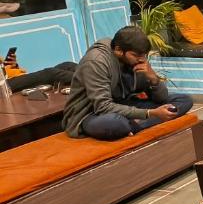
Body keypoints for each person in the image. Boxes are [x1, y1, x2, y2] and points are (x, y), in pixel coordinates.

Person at [62, 26, 193, 141]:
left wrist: (153, 78)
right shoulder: (97, 62)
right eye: (136, 55)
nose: (142, 59)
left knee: (183, 100)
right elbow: (102, 107)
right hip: (91, 114)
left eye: (145, 55)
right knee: (118, 124)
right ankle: (133, 124)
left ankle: (134, 124)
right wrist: (150, 114)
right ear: (119, 50)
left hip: (123, 104)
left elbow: (162, 98)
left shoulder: (137, 61)